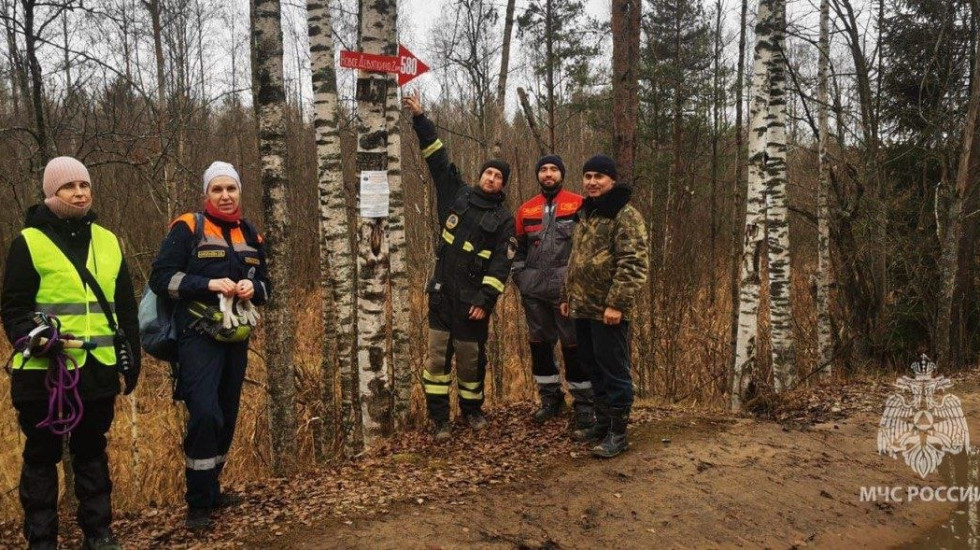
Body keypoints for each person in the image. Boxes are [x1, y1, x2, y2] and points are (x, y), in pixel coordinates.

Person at [1, 156, 141, 550]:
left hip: (98, 367)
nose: (79, 193)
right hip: (45, 371)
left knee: (92, 450)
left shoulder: (109, 240)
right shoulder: (28, 242)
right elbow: (13, 307)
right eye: (69, 187)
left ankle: (98, 532)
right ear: (51, 192)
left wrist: (132, 358)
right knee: (42, 454)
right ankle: (41, 538)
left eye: (84, 185)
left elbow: (124, 307)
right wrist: (33, 335)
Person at [148, 161, 269, 530]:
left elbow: (266, 285)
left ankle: (213, 488)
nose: (225, 196)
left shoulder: (251, 233)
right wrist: (208, 285)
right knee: (204, 413)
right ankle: (198, 503)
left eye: (231, 189)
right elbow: (160, 278)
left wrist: (254, 289)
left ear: (239, 192)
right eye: (217, 189)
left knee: (227, 415)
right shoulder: (188, 227)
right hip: (196, 337)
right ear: (206, 195)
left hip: (235, 339)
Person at [402, 90, 516, 442]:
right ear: (480, 176)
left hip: (472, 304)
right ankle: (440, 420)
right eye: (488, 173)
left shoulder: (504, 219)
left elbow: (501, 265)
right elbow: (437, 159)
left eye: (498, 176)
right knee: (436, 361)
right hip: (441, 295)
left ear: (503, 185)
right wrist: (421, 119)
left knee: (469, 362)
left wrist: (485, 301)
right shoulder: (459, 195)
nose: (491, 178)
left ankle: (472, 412)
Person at [561, 155, 648, 458]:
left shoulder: (625, 215)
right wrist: (566, 296)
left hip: (608, 311)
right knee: (591, 365)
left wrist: (617, 304)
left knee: (613, 369)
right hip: (582, 307)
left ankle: (618, 432)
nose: (592, 182)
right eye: (587, 176)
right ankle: (602, 423)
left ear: (612, 180)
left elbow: (634, 264)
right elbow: (576, 261)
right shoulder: (586, 214)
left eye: (599, 176)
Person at [512, 155, 593, 432]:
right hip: (533, 290)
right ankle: (550, 398)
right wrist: (520, 277)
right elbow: (517, 250)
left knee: (574, 345)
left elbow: (588, 247)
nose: (548, 174)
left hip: (567, 291)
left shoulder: (578, 204)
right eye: (544, 170)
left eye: (553, 169)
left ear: (561, 174)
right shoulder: (526, 209)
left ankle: (583, 403)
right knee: (540, 345)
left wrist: (578, 281)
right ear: (538, 175)